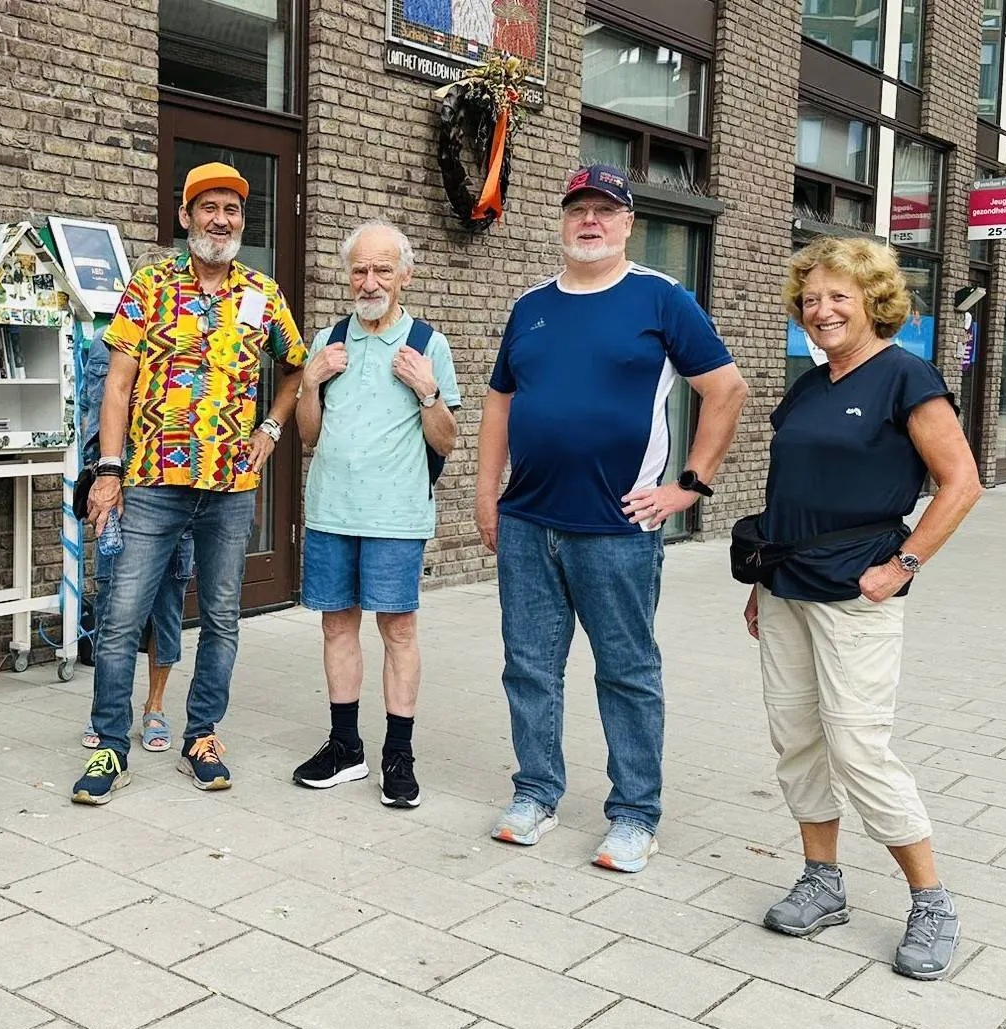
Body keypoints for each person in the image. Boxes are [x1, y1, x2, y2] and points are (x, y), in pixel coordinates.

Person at [476, 163, 748, 872]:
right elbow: (499, 402)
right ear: (562, 222)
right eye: (577, 210)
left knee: (625, 671)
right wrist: (484, 494)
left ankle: (634, 814)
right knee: (528, 667)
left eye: (605, 210)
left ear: (629, 223)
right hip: (528, 522)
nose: (589, 222)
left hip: (617, 528)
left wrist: (688, 485)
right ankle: (534, 792)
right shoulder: (530, 304)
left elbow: (725, 389)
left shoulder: (661, 299)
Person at [746, 236, 980, 980]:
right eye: (810, 299)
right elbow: (787, 489)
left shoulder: (906, 378)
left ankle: (931, 899)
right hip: (785, 586)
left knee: (857, 745)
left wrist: (901, 565)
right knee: (796, 739)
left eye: (838, 296)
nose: (821, 310)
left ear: (873, 301)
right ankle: (822, 880)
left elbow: (961, 482)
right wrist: (759, 583)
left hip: (856, 592)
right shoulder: (809, 385)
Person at [72, 162, 308, 803]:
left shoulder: (263, 294)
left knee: (224, 618)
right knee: (121, 619)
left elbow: (295, 369)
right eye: (208, 207)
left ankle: (201, 735)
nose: (221, 219)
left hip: (231, 485)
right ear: (185, 216)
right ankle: (110, 746)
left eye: (232, 209)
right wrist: (108, 473)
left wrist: (272, 430)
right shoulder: (147, 288)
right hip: (150, 480)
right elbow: (116, 388)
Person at [290, 221, 459, 808]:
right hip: (331, 511)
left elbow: (445, 443)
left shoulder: (428, 344)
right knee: (336, 624)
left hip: (395, 517)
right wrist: (309, 384)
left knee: (398, 631)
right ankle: (345, 748)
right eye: (360, 269)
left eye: (382, 268)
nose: (370, 280)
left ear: (405, 276)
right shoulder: (328, 339)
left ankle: (398, 754)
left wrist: (428, 392)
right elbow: (309, 435)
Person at [78, 248, 194, 755]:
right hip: (124, 495)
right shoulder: (110, 348)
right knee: (114, 609)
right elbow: (93, 417)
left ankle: (155, 707)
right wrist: (103, 479)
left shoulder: (198, 343)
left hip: (182, 492)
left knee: (167, 604)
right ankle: (108, 714)